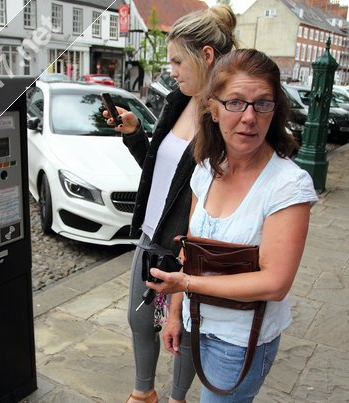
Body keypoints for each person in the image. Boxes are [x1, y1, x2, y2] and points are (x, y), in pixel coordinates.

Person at [147, 48, 318, 402]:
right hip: (199, 324)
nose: (250, 117)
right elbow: (190, 246)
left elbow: (275, 283)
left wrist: (187, 283)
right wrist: (176, 313)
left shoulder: (288, 185)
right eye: (236, 103)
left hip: (243, 340)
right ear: (213, 109)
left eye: (263, 103)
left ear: (276, 110)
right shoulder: (207, 168)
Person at [103, 5, 239, 403]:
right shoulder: (180, 102)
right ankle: (144, 393)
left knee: (184, 330)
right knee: (140, 319)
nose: (172, 70)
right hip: (152, 233)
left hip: (187, 243)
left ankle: (178, 398)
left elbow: (218, 192)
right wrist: (134, 134)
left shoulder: (224, 117)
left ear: (207, 56)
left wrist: (193, 248)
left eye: (179, 60)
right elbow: (165, 172)